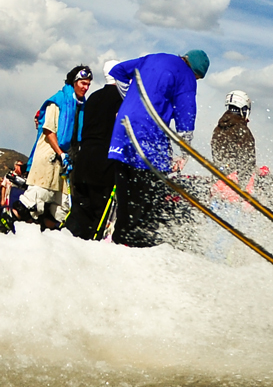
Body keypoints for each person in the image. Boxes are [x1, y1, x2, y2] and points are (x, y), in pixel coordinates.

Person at [107, 51, 208, 247]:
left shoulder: (151, 58)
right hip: (149, 136)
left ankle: (118, 245)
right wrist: (184, 153)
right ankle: (137, 251)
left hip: (121, 132)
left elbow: (117, 71)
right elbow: (186, 117)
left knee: (125, 201)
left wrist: (130, 99)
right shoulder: (186, 77)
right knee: (146, 204)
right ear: (196, 72)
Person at [20, 65, 91, 229]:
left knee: (60, 211)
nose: (85, 88)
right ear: (74, 82)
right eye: (82, 83)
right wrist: (61, 153)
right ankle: (7, 233)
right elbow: (48, 130)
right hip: (47, 160)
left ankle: (47, 246)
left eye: (88, 84)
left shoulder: (80, 106)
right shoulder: (58, 101)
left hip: (64, 166)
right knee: (33, 202)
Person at [67, 68, 126, 240]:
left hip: (83, 159)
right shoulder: (120, 99)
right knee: (99, 213)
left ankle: (67, 245)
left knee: (79, 210)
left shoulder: (92, 97)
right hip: (104, 163)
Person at [212, 91, 257, 186]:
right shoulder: (242, 129)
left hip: (218, 180)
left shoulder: (218, 129)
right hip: (235, 183)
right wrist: (243, 184)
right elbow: (247, 160)